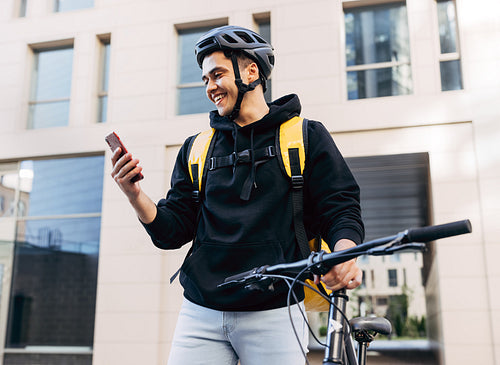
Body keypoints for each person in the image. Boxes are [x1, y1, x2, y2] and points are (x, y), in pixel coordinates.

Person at [110, 25, 364, 365]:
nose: (210, 87)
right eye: (205, 80)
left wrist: (344, 253)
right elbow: (171, 232)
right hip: (200, 312)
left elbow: (341, 208)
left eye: (217, 74)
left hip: (275, 313)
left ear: (251, 71)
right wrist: (134, 195)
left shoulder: (306, 136)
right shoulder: (196, 148)